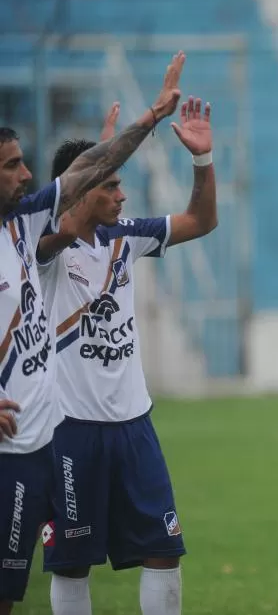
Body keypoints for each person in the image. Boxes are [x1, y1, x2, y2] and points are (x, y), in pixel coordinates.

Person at [0, 51, 186, 615]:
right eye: (10, 165)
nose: (25, 174)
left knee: (10, 590)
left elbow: (82, 182)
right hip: (29, 439)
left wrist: (148, 121)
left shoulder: (24, 224)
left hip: (34, 440)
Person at [37, 96, 217, 615]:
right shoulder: (43, 250)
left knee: (164, 551)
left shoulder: (126, 239)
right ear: (81, 188)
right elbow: (55, 227)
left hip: (135, 427)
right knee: (71, 562)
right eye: (111, 183)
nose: (122, 193)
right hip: (70, 427)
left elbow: (200, 221)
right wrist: (96, 159)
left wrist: (202, 162)